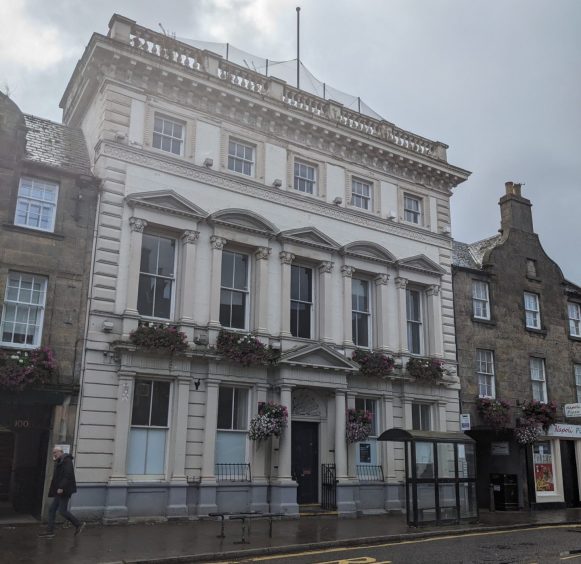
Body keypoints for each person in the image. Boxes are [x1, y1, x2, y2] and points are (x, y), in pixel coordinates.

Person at [38, 447, 85, 538]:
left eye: (55, 452)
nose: (54, 454)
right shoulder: (60, 461)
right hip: (59, 490)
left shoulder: (66, 460)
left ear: (61, 452)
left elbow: (68, 475)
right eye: (53, 453)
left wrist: (61, 487)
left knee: (62, 511)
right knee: (52, 510)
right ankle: (50, 531)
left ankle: (78, 524)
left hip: (64, 490)